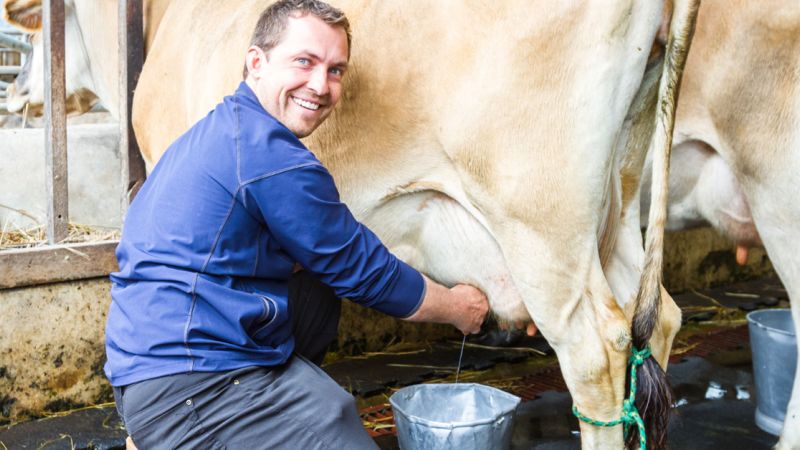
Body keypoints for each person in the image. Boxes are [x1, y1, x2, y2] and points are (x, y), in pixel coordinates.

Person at [104, 1, 490, 448]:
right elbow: (364, 270)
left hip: (148, 372)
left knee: (316, 288)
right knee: (333, 423)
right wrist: (460, 309)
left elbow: (332, 259)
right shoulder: (272, 157)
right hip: (191, 386)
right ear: (256, 62)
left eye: (336, 70)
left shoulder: (222, 129)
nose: (320, 85)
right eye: (304, 62)